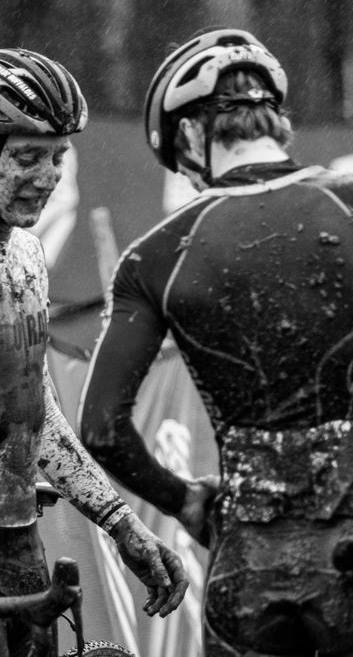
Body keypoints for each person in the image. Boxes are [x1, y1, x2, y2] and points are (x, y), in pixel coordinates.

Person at [79, 28, 353, 656]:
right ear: (277, 118)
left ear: (192, 135)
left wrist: (189, 503)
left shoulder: (153, 258)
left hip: (246, 571)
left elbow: (102, 430)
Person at [0, 48, 188, 654]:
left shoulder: (25, 257)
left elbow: (37, 419)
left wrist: (122, 524)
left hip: (17, 537)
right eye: (27, 157)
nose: (49, 176)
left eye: (58, 157)